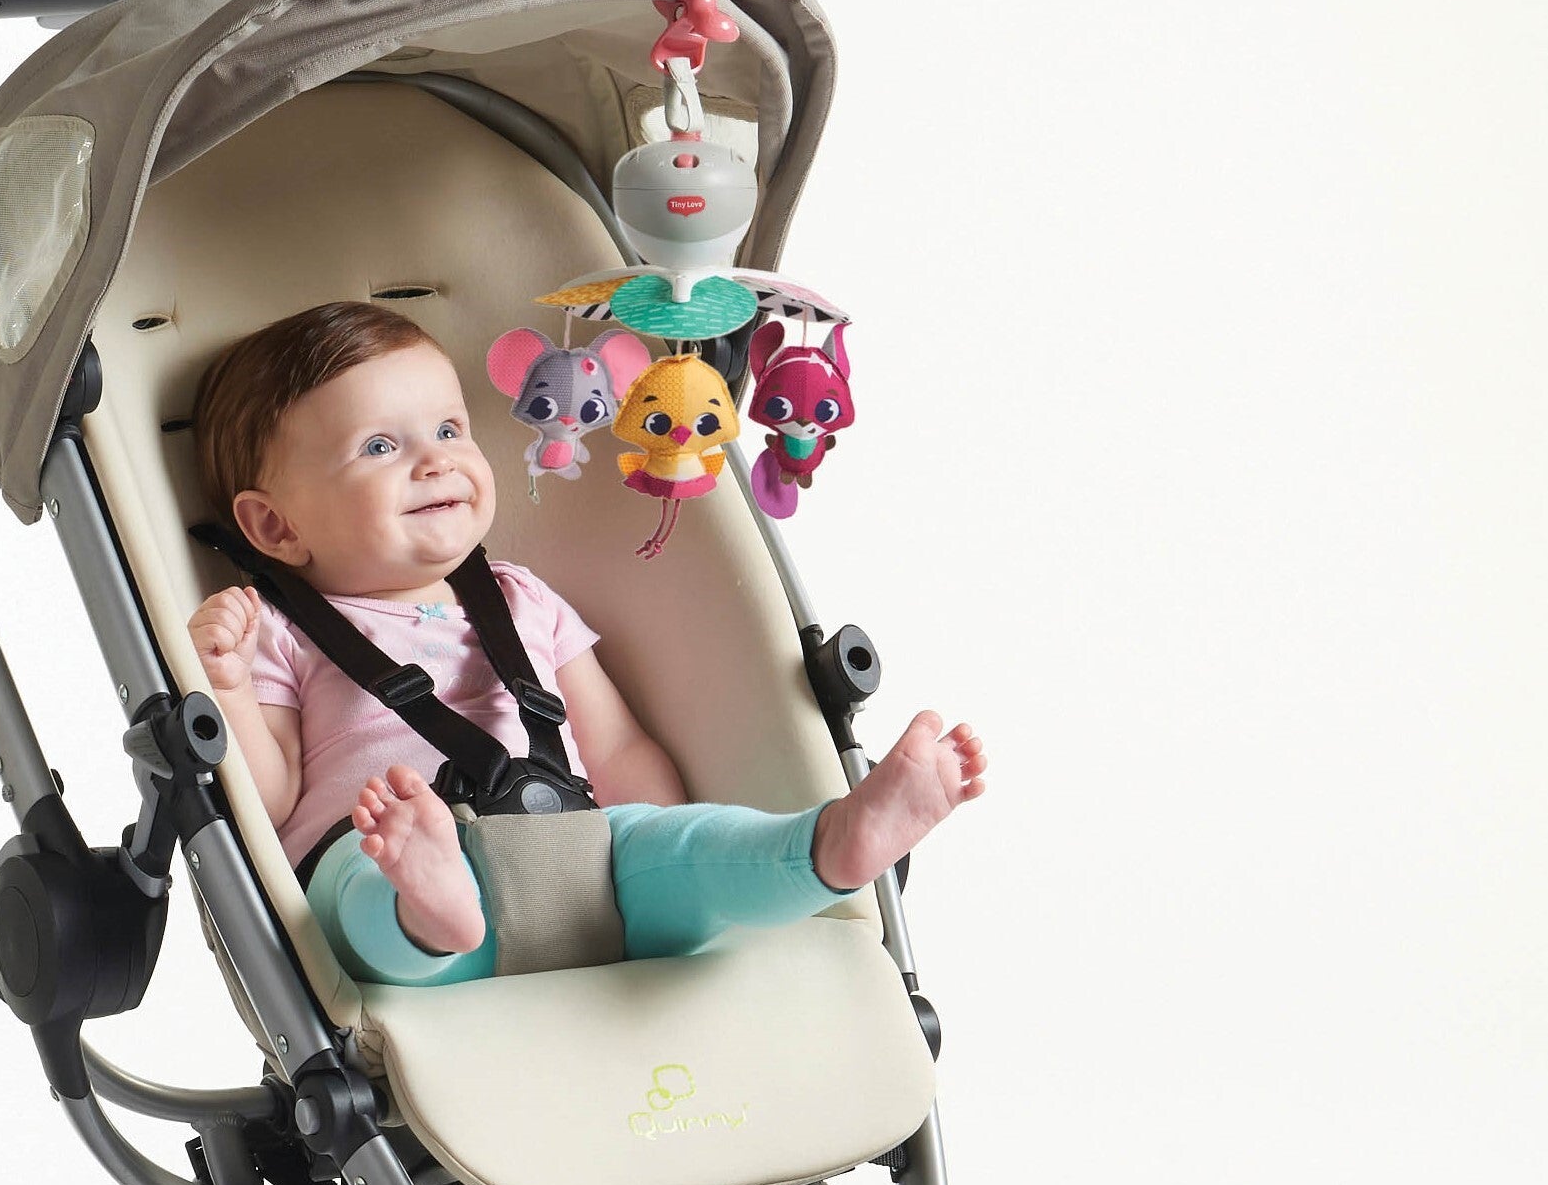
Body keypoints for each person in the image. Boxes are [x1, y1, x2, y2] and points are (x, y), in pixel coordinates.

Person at [187, 301, 984, 986]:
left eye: (449, 428)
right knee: (356, 891)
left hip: (575, 861)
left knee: (685, 854)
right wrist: (224, 686)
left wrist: (665, 833)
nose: (436, 460)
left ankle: (826, 848)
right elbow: (271, 799)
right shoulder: (277, 632)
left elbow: (617, 748)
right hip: (390, 860)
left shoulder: (521, 599)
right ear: (275, 526)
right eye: (380, 447)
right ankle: (428, 909)